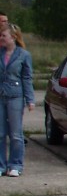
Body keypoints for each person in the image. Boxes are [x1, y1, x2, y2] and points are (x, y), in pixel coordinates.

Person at [0, 25, 35, 177]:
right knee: (0, 133)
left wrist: (30, 99)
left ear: (13, 37)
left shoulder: (24, 55)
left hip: (15, 96)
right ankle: (1, 165)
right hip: (0, 96)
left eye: (4, 36)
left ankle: (15, 164)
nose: (1, 38)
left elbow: (27, 78)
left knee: (15, 133)